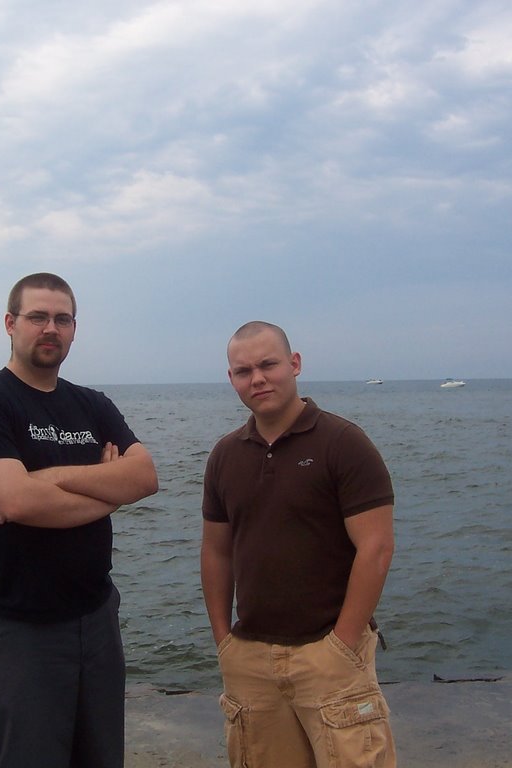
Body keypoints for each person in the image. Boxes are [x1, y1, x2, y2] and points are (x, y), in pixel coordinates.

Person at [0, 272, 158, 768]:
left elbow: (145, 477)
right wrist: (107, 492)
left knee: (102, 759)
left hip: (97, 618)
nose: (51, 328)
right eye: (38, 316)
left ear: (73, 329)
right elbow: (19, 503)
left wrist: (50, 477)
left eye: (62, 319)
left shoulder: (92, 404)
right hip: (19, 628)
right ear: (10, 323)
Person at [201, 321, 397, 768]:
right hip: (250, 658)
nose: (258, 379)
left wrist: (343, 644)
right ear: (231, 379)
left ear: (295, 364)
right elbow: (216, 551)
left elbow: (377, 547)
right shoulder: (225, 456)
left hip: (330, 653)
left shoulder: (343, 443)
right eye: (243, 371)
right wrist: (223, 641)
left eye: (268, 365)